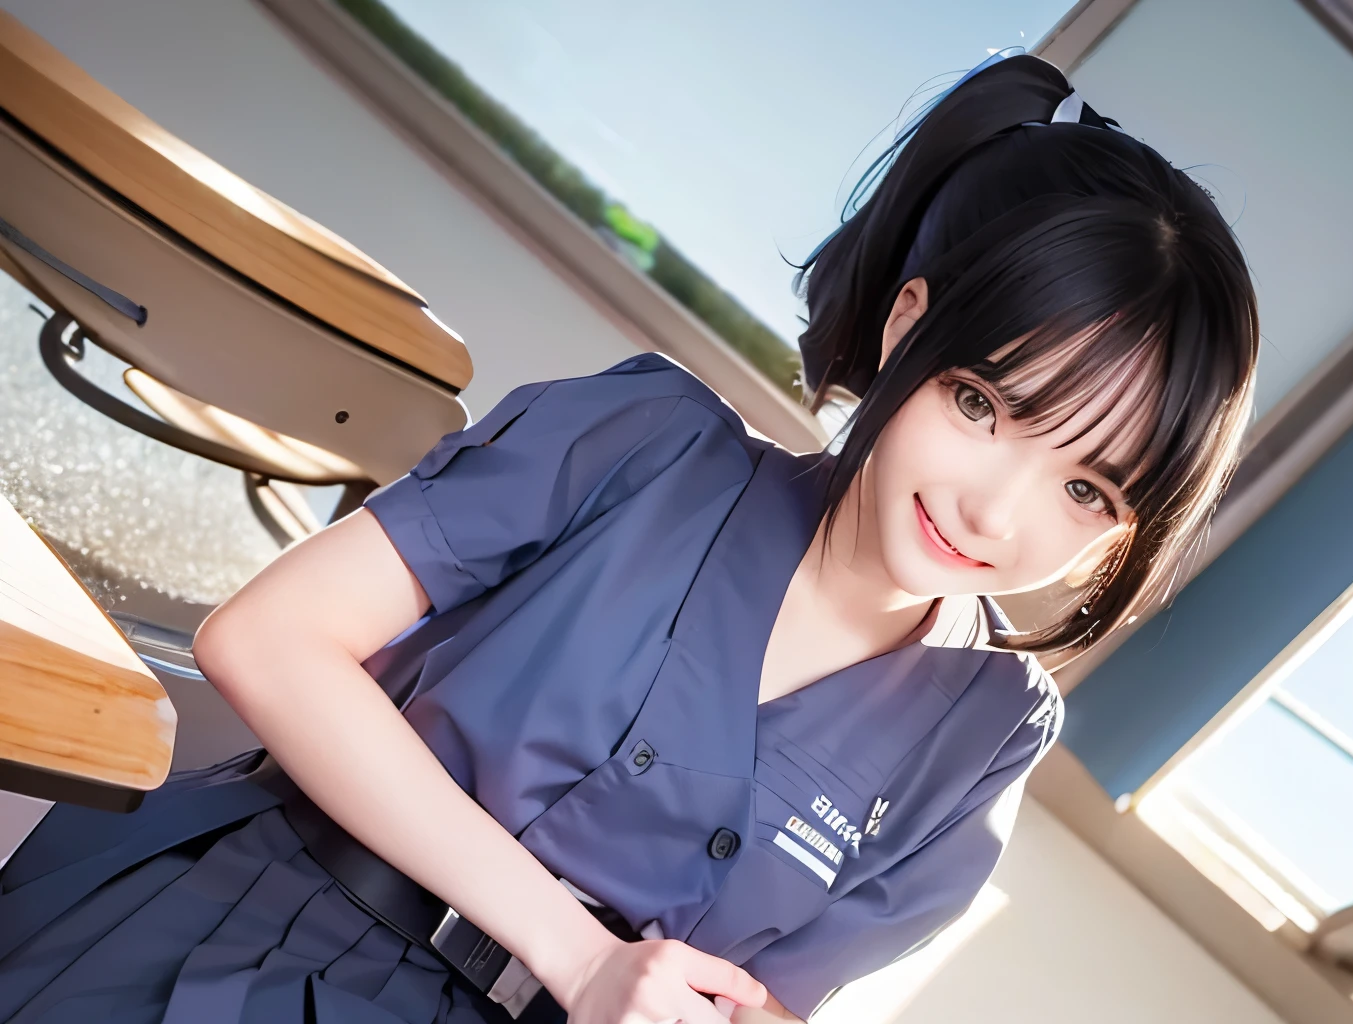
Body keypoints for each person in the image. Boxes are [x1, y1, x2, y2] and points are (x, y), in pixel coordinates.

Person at [0, 51, 1257, 1024]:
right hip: (250, 937)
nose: (997, 511)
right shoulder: (645, 444)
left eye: (1089, 490)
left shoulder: (981, 742)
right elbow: (266, 642)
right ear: (905, 331)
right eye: (984, 406)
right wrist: (575, 949)